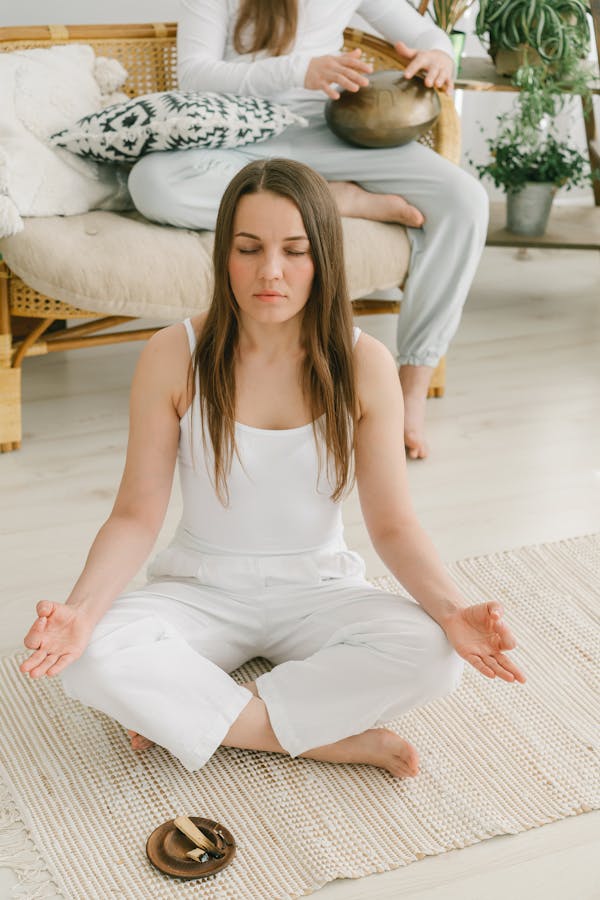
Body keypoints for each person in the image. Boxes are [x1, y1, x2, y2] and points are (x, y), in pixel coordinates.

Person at [20, 159, 524, 779]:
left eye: (295, 251)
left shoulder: (366, 364)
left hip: (319, 588)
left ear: (324, 259)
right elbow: (135, 514)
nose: (271, 272)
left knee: (433, 655)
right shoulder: (173, 353)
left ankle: (195, 717)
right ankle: (322, 738)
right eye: (249, 248)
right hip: (198, 588)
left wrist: (451, 611)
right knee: (95, 652)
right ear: (223, 255)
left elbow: (392, 524)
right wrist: (80, 612)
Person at [127, 0, 490, 460]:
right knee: (153, 183)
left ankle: (410, 389)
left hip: (330, 132)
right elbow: (196, 75)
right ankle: (334, 199)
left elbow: (425, 35)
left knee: (465, 201)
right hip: (241, 135)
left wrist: (438, 54)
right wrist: (299, 69)